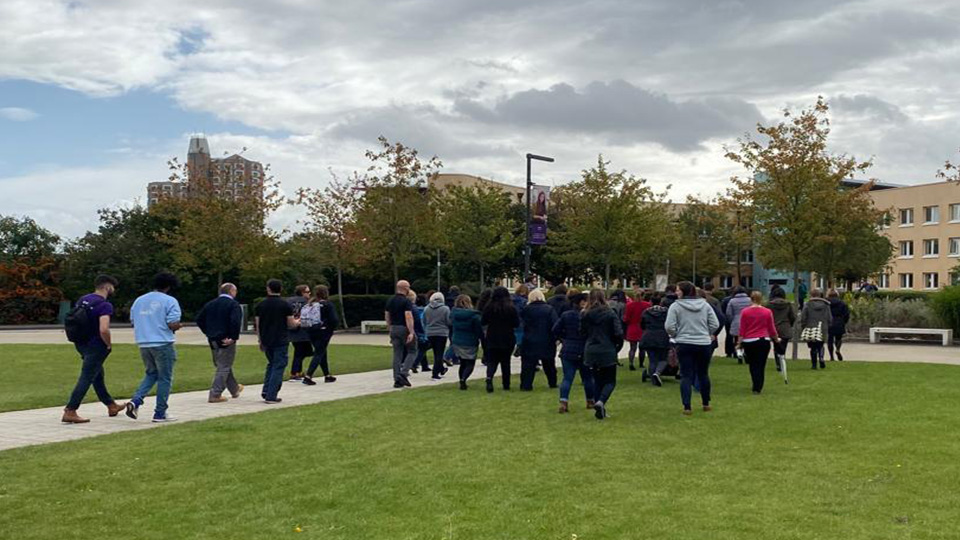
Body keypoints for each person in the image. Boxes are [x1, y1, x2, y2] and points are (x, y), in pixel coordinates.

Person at [62, 274, 125, 424]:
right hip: (96, 345)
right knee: (87, 376)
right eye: (112, 287)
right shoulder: (104, 305)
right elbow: (104, 329)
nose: (113, 290)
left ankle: (111, 405)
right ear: (107, 286)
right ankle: (70, 410)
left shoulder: (83, 299)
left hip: (81, 343)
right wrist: (108, 344)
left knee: (97, 374)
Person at [126, 272, 183, 422]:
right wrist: (178, 326)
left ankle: (136, 400)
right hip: (163, 342)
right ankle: (160, 413)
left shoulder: (139, 301)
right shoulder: (170, 301)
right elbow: (172, 323)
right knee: (165, 378)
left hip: (144, 343)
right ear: (169, 286)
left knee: (151, 373)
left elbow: (133, 321)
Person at [666, 281, 720, 415]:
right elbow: (715, 323)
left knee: (686, 375)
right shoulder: (705, 305)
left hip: (684, 343)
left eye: (678, 290)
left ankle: (687, 406)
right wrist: (707, 333)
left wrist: (675, 334)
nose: (676, 293)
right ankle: (706, 403)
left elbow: (669, 326)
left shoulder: (676, 306)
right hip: (703, 343)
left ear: (683, 291)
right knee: (703, 373)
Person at [196, 282, 244, 403]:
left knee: (222, 364)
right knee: (224, 366)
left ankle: (234, 389)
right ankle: (215, 394)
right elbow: (235, 322)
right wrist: (233, 337)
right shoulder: (233, 305)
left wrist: (208, 332)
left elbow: (199, 319)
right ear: (231, 291)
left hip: (213, 339)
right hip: (226, 339)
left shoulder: (210, 304)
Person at [580, 289, 624, 420]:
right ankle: (601, 402)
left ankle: (600, 408)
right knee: (610, 380)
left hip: (591, 349)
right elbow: (618, 333)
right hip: (607, 348)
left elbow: (582, 332)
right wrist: (616, 347)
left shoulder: (585, 314)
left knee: (597, 380)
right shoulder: (610, 313)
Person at [255, 279, 300, 403]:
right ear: (280, 289)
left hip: (266, 339)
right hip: (280, 339)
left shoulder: (261, 305)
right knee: (278, 366)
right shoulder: (285, 305)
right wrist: (298, 322)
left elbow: (258, 324)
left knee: (271, 364)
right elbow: (291, 324)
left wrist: (260, 340)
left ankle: (266, 390)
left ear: (268, 288)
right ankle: (271, 394)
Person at [552, 292, 595, 412]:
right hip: (584, 348)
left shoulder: (566, 315)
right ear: (582, 302)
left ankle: (563, 401)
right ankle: (590, 400)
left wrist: (563, 338)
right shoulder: (589, 315)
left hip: (568, 348)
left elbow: (555, 329)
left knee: (567, 378)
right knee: (588, 378)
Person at [737, 291, 780, 394]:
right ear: (761, 299)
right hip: (763, 340)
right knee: (761, 364)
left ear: (751, 299)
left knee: (752, 364)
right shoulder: (767, 312)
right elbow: (771, 328)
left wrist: (739, 342)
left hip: (749, 340)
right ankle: (759, 385)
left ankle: (755, 384)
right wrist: (776, 338)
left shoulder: (745, 312)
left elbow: (742, 329)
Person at [481, 286, 520, 393]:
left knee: (492, 361)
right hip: (507, 336)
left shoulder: (489, 307)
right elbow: (516, 323)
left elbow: (483, 321)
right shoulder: (511, 308)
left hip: (492, 336)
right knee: (505, 362)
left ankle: (489, 377)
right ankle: (506, 384)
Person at [520, 289, 559, 390]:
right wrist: (556, 337)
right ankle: (552, 382)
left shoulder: (526, 309)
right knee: (549, 364)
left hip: (530, 339)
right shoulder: (549, 309)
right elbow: (555, 324)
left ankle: (526, 385)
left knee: (528, 365)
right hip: (547, 339)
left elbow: (522, 324)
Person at [300, 285, 339, 384]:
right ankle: (308, 376)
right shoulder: (327, 304)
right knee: (319, 352)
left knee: (321, 351)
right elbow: (334, 319)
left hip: (311, 330)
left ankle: (327, 375)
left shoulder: (311, 303)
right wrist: (331, 327)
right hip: (323, 331)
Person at [385, 280, 417, 388]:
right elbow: (408, 316)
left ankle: (397, 378)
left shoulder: (390, 300)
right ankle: (403, 373)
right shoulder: (406, 301)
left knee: (397, 354)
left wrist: (390, 328)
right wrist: (411, 332)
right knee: (412, 351)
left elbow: (387, 316)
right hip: (404, 328)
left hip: (394, 328)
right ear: (406, 288)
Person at [450, 294, 483, 390]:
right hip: (470, 341)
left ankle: (461, 379)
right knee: (470, 363)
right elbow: (478, 330)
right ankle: (463, 379)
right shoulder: (474, 316)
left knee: (463, 363)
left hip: (457, 340)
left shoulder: (454, 314)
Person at [639, 293, 669, 386]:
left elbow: (642, 325)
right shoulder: (666, 312)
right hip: (662, 335)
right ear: (660, 302)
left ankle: (653, 379)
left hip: (649, 336)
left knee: (652, 360)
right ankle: (658, 372)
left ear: (650, 302)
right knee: (663, 358)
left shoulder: (645, 312)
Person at [286, 285, 313, 381]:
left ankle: (298, 371)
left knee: (300, 350)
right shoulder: (307, 303)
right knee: (301, 352)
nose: (309, 293)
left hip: (291, 330)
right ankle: (294, 373)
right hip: (303, 330)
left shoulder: (288, 301)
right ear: (302, 292)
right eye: (308, 291)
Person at [800, 289, 832, 370]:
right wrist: (829, 324)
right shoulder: (826, 305)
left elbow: (803, 316)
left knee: (813, 347)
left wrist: (803, 325)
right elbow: (829, 317)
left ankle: (814, 364)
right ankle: (821, 357)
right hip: (822, 327)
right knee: (821, 344)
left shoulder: (807, 304)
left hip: (810, 326)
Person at [766, 285, 796, 371]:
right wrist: (790, 324)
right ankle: (782, 359)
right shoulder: (788, 305)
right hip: (785, 327)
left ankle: (778, 363)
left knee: (776, 346)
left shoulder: (769, 305)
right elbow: (792, 317)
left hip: (773, 327)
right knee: (783, 346)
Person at [424, 291, 452, 380]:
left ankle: (441, 368)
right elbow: (448, 321)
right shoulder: (445, 309)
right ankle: (435, 373)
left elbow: (424, 321)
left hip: (430, 332)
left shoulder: (426, 308)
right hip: (442, 333)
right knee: (439, 353)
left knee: (435, 352)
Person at [623, 292, 651, 371]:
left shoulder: (629, 305)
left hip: (632, 327)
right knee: (642, 348)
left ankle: (631, 363)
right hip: (642, 328)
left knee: (632, 348)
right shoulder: (647, 305)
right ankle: (641, 364)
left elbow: (626, 318)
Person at [724, 286, 752, 364]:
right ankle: (746, 354)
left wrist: (732, 320)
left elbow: (728, 313)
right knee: (747, 340)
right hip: (748, 322)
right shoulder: (750, 300)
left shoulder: (732, 301)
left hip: (736, 321)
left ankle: (738, 354)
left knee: (737, 340)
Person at [827, 289, 850, 362]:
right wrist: (844, 321)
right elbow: (846, 314)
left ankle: (831, 356)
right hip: (839, 321)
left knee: (829, 340)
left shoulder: (826, 303)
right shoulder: (842, 304)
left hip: (829, 322)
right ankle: (838, 349)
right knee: (838, 338)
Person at [410, 291, 430, 374]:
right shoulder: (425, 310)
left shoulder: (413, 309)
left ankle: (424, 365)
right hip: (422, 331)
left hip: (414, 330)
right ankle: (414, 364)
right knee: (423, 348)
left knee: (422, 348)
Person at [511, 284, 529, 357]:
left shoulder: (511, 300)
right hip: (521, 321)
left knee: (515, 335)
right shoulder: (524, 301)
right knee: (521, 335)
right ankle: (519, 347)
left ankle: (517, 346)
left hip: (513, 321)